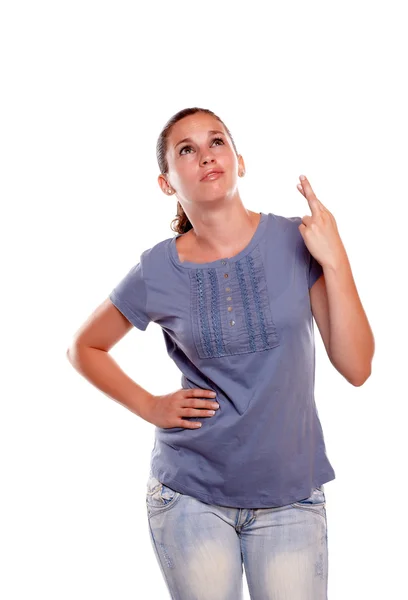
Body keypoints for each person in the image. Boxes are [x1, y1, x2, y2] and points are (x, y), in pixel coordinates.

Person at [67, 107, 374, 599]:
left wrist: (335, 259)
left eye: (216, 142)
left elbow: (357, 368)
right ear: (167, 183)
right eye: (186, 150)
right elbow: (84, 346)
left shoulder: (297, 241)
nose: (206, 155)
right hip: (190, 494)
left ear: (239, 161)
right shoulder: (156, 270)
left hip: (291, 496)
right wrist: (149, 405)